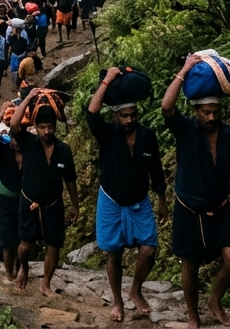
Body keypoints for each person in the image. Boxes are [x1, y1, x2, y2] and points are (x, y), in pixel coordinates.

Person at [161, 56, 230, 329]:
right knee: (191, 264)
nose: (211, 117)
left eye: (215, 112)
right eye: (206, 112)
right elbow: (166, 106)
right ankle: (192, 315)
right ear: (196, 111)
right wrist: (185, 68)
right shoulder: (185, 129)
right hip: (189, 208)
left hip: (220, 207)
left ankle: (215, 300)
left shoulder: (229, 135)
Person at [88, 68, 168, 323]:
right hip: (111, 200)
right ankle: (118, 301)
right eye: (124, 115)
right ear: (115, 115)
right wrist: (107, 80)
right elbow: (91, 113)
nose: (129, 120)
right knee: (114, 253)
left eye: (133, 115)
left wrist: (162, 199)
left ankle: (135, 289)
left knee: (149, 249)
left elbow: (155, 168)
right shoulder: (107, 134)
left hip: (140, 201)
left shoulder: (147, 136)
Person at [10, 89, 79, 296]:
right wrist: (29, 98)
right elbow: (14, 125)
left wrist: (75, 206)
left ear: (55, 127)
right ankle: (24, 266)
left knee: (54, 244)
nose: (46, 131)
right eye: (42, 127)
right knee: (24, 245)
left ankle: (46, 283)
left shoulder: (64, 150)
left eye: (50, 127)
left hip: (53, 203)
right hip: (28, 200)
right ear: (35, 127)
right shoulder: (28, 143)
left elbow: (70, 180)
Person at [0, 102, 22, 280]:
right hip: (5, 199)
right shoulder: (3, 150)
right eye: (14, 139)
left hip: (24, 199)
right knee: (8, 241)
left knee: (24, 240)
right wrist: (1, 113)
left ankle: (20, 271)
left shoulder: (30, 150)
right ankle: (9, 275)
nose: (16, 143)